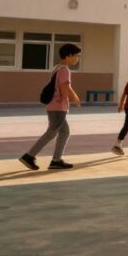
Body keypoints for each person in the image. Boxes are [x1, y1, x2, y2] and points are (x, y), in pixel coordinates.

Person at [18, 43, 82, 171]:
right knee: (51, 133)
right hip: (58, 107)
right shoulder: (64, 70)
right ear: (68, 55)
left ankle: (56, 160)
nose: (77, 58)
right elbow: (65, 88)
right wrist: (71, 98)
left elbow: (63, 87)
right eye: (75, 55)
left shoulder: (57, 68)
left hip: (53, 106)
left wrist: (72, 97)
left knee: (64, 132)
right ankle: (29, 156)